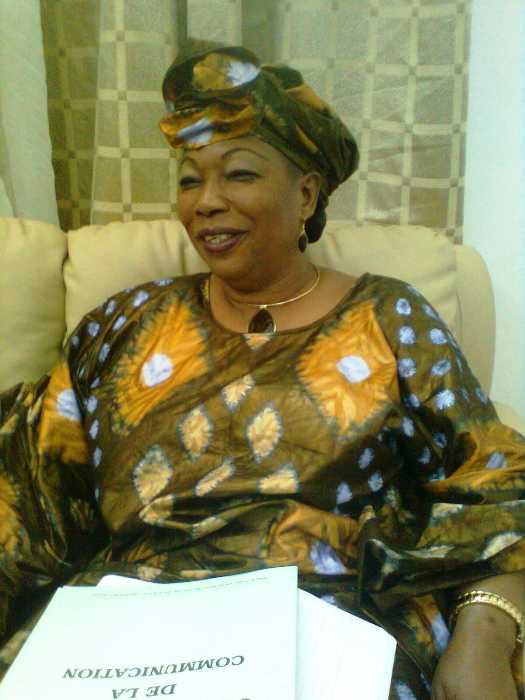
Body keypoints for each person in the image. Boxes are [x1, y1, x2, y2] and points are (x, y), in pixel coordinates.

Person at [0, 41, 524, 700]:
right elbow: (28, 489)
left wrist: (485, 633)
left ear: (306, 194)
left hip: (329, 620)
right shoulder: (122, 325)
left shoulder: (389, 317)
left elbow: (494, 480)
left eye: (239, 174)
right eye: (189, 180)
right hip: (126, 635)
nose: (206, 201)